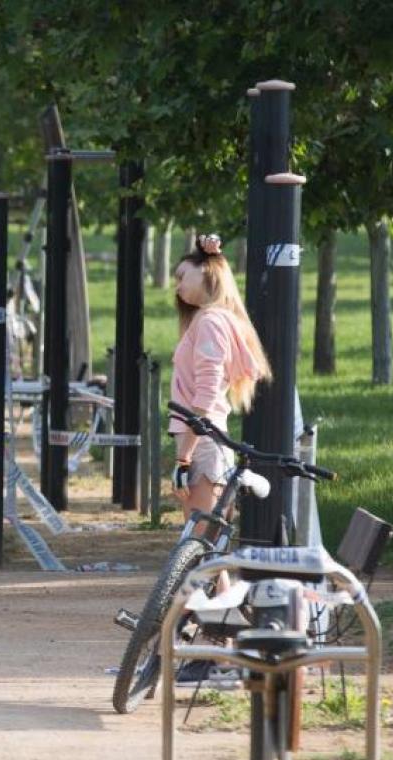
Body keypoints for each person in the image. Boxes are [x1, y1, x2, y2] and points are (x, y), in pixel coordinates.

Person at [167, 232, 271, 687]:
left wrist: (184, 457)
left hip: (204, 444)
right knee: (206, 555)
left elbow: (206, 396)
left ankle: (218, 649)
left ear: (206, 273)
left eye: (182, 276)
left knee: (201, 554)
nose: (177, 286)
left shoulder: (210, 322)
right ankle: (217, 645)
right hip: (205, 442)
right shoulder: (214, 320)